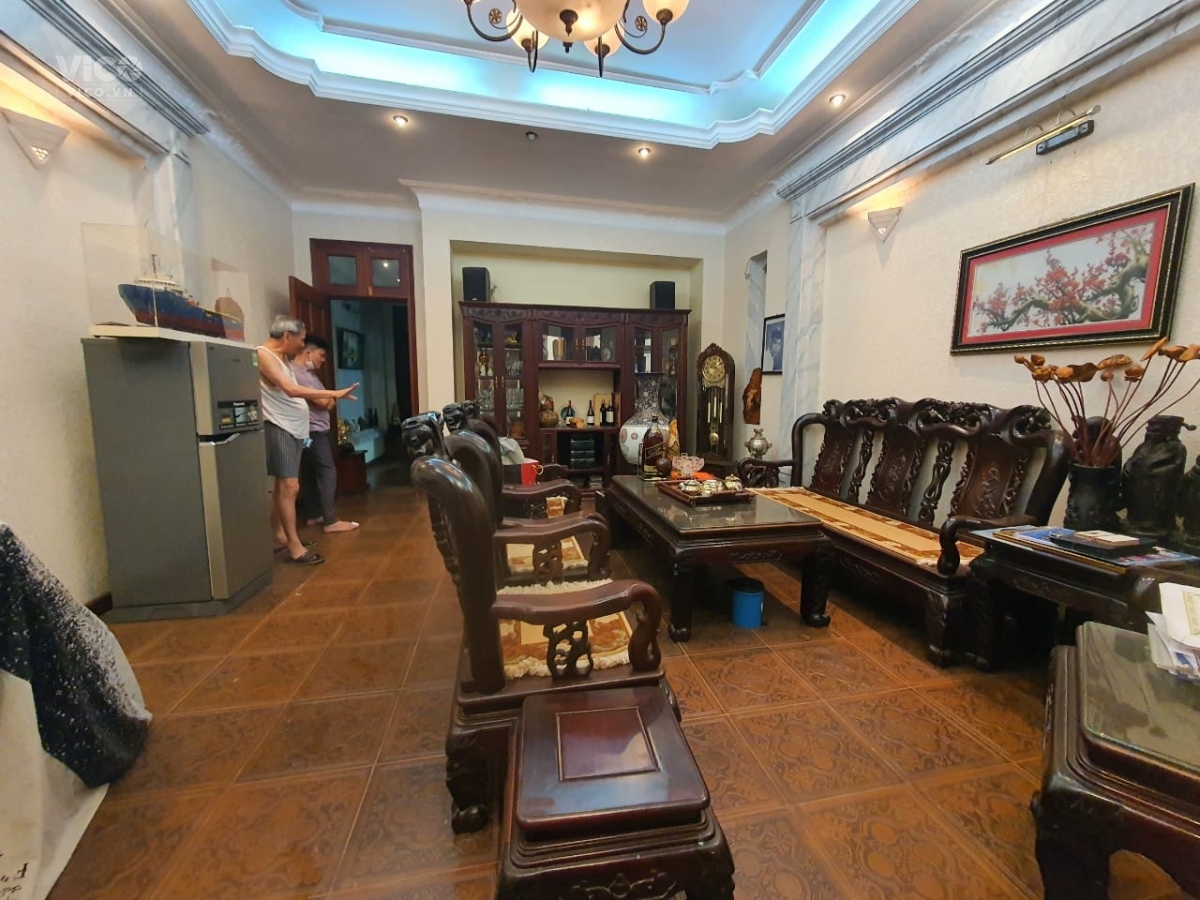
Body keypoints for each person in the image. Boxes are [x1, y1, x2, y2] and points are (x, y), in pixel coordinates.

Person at [257, 316, 358, 565]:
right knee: (290, 487)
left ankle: (279, 536)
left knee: (283, 487)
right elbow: (291, 390)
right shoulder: (263, 355)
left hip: (294, 428)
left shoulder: (283, 358)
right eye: (300, 340)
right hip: (280, 427)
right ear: (287, 336)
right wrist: (334, 393)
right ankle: (294, 546)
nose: (302, 346)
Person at [292, 334, 360, 534]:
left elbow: (326, 400)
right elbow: (325, 402)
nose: (323, 360)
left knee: (310, 472)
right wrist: (330, 399)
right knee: (327, 471)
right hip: (313, 431)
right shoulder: (300, 375)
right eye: (321, 355)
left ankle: (313, 514)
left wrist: (329, 399)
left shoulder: (309, 375)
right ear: (308, 353)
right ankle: (331, 521)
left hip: (310, 431)